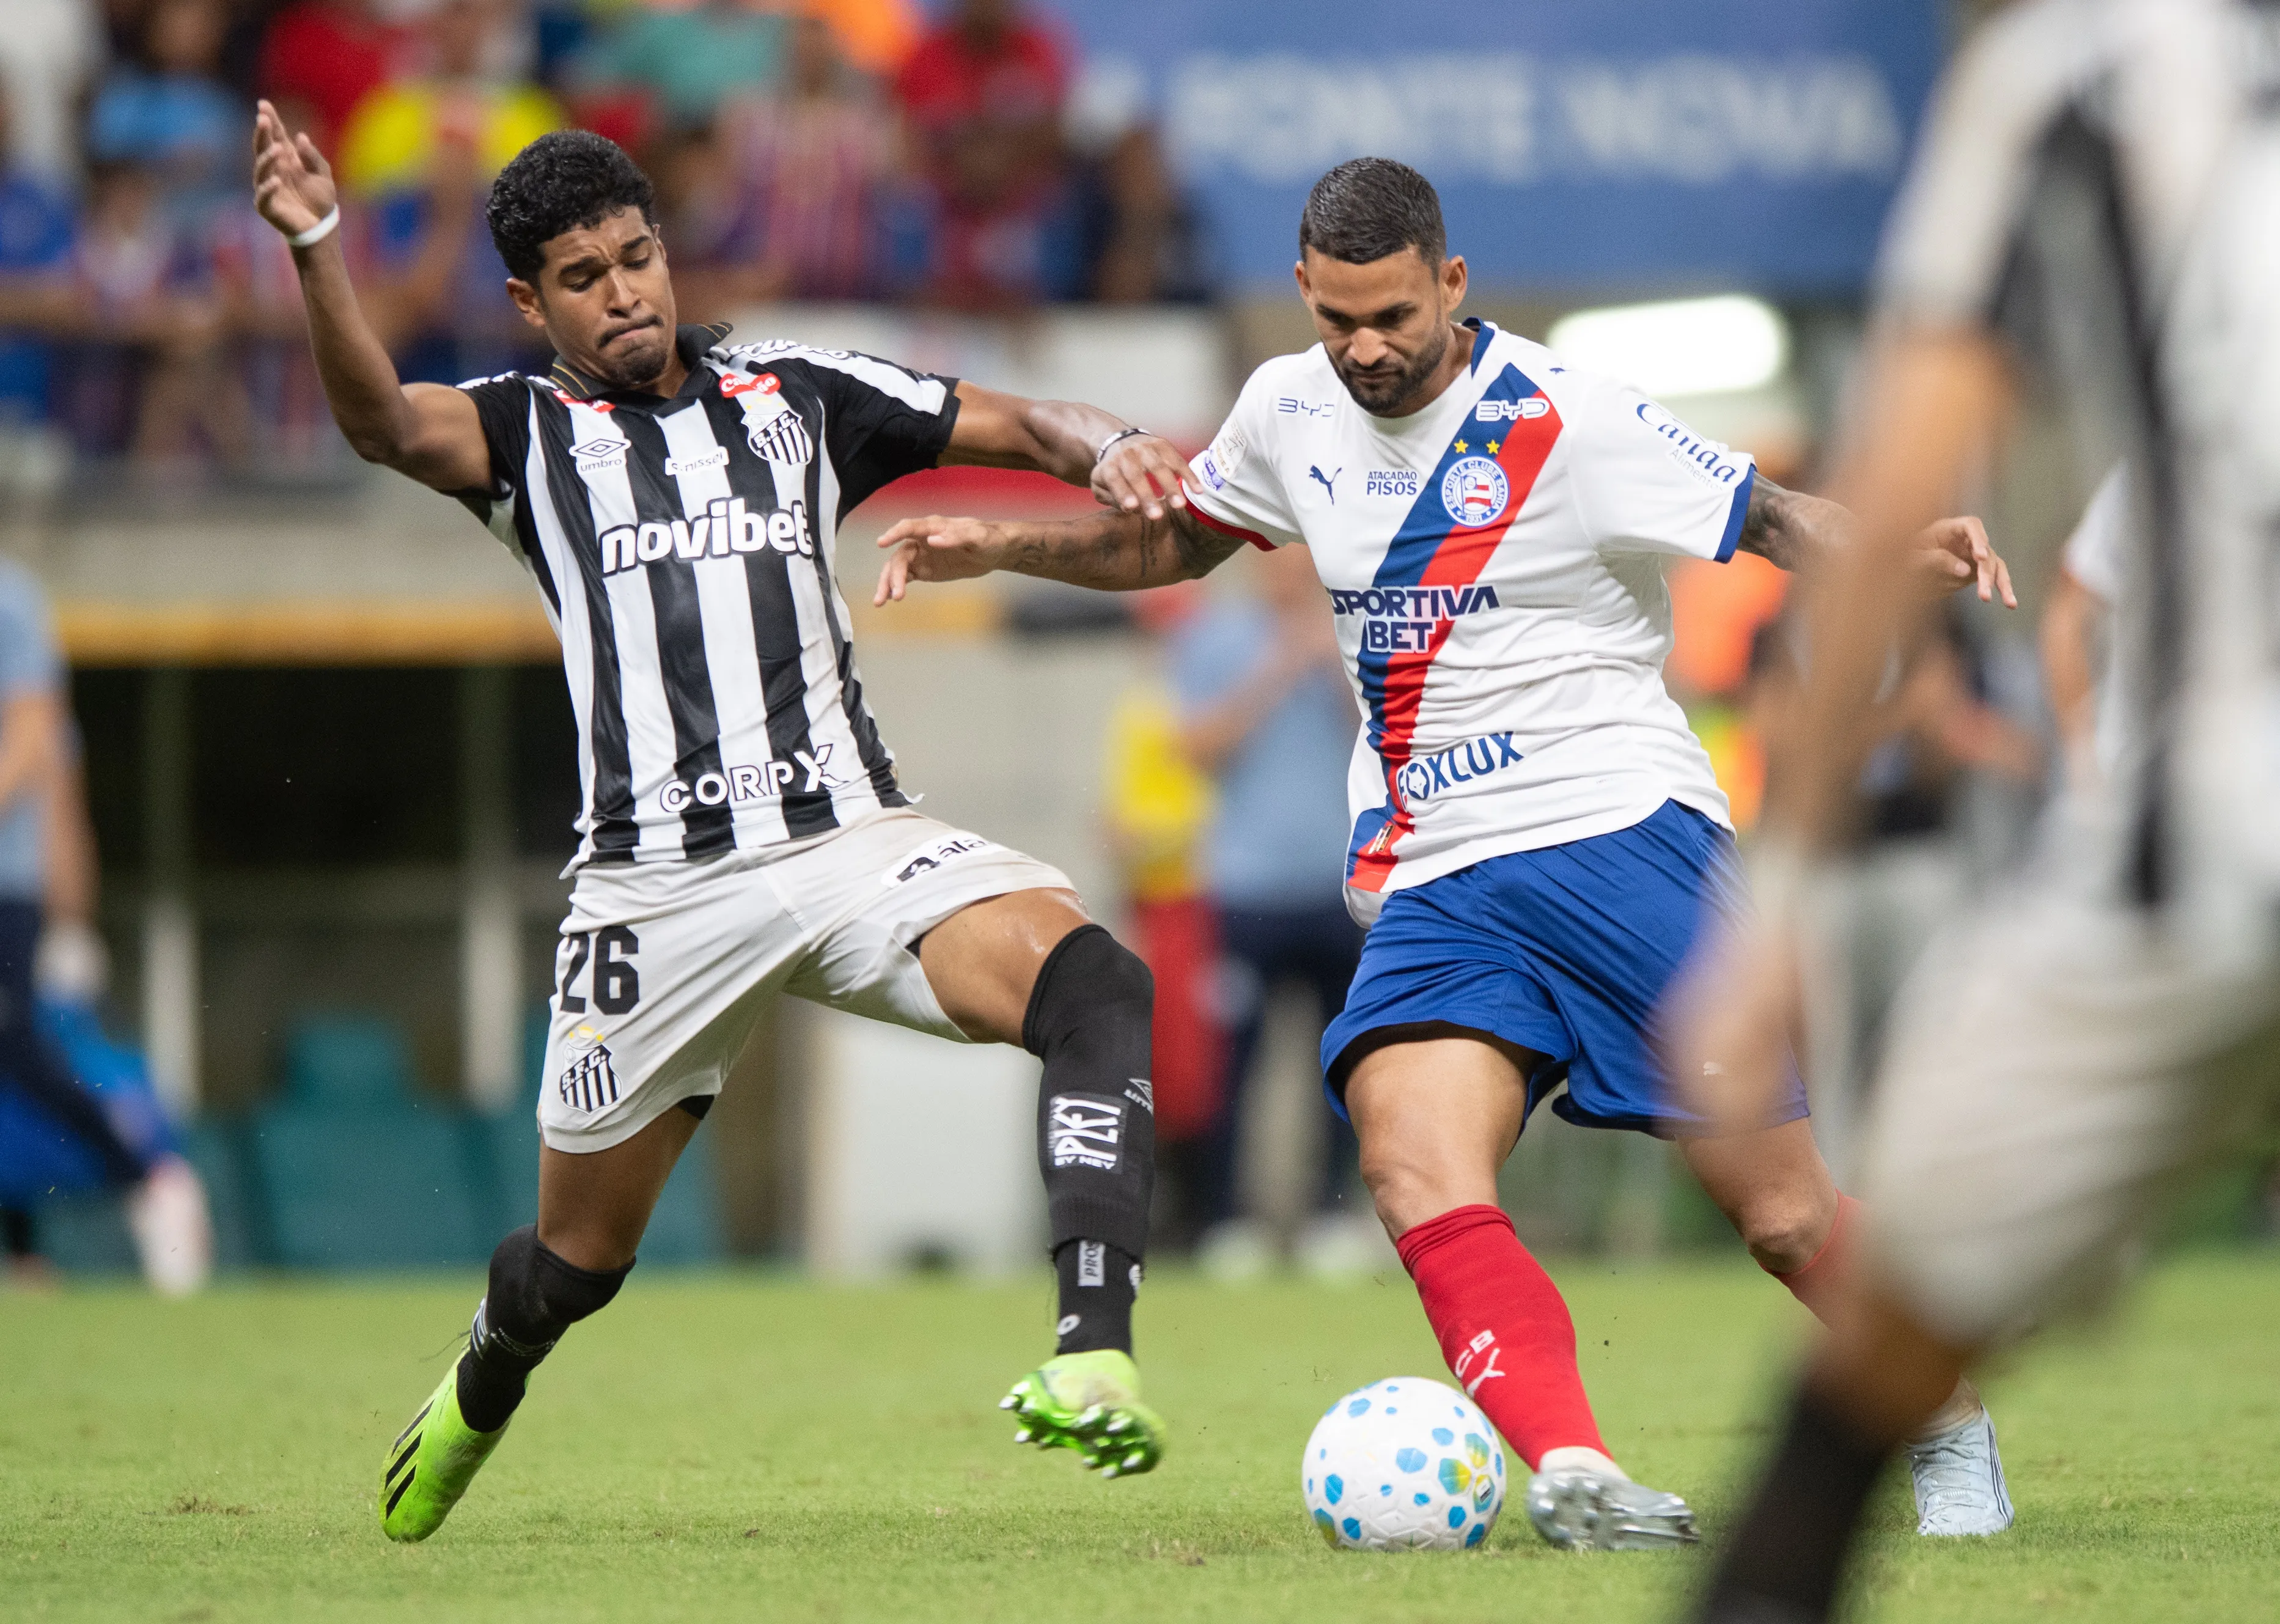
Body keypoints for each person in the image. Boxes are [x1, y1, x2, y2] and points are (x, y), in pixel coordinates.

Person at [871, 156, 2017, 1551]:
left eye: (1393, 318)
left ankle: (1945, 1413)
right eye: (1336, 319)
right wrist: (996, 543)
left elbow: (1772, 518)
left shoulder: (1569, 416)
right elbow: (1174, 544)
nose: (1363, 349)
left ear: (1451, 282)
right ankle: (1578, 1468)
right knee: (1411, 1161)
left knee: (1780, 1216)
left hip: (1619, 839)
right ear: (1303, 291)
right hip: (1437, 874)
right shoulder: (1286, 406)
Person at [249, 108, 1202, 1541]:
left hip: (850, 844)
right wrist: (320, 243)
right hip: (655, 894)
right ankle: (486, 1372)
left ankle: (1092, 1353)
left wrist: (1115, 445)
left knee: (1095, 983)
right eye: (582, 278)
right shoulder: (522, 433)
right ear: (530, 304)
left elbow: (1014, 420)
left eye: (635, 257)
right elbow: (382, 420)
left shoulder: (796, 395)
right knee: (577, 1260)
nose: (623, 293)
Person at [1678, 2, 2280, 1618]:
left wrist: (1774, 900)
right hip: (2170, 848)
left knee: (1894, 1325)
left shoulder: (2081, 75)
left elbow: (1900, 483)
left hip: (2203, 854)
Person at [0, 555, 208, 1291]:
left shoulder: (11, 600)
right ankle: (22, 1252)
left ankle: (150, 1177)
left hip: (8, 886)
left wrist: (70, 918)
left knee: (18, 1045)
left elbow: (46, 756)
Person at [1166, 543, 1367, 1271]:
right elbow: (1196, 748)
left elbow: (1391, 740)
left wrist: (1332, 668)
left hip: (1343, 885)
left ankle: (1331, 1217)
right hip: (1247, 888)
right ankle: (1228, 1221)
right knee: (1236, 1064)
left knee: (1346, 1060)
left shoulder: (1356, 634)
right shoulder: (1213, 638)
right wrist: (1276, 668)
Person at [891, 0, 1070, 309]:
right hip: (945, 194)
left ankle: (1027, 294)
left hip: (1019, 194)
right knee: (903, 204)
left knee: (1060, 205)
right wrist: (963, 170)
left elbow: (1052, 137)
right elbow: (908, 141)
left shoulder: (1037, 50)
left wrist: (1000, 169)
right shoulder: (928, 55)